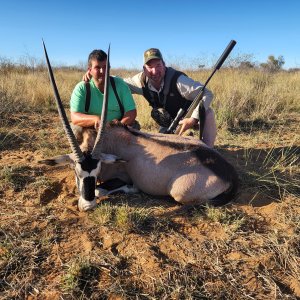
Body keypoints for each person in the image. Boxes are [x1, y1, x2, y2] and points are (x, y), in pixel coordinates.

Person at [83, 48, 216, 148]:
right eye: (149, 67)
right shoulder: (140, 80)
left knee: (208, 113)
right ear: (144, 69)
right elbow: (117, 84)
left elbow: (207, 93)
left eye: (158, 65)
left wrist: (192, 119)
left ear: (164, 65)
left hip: (189, 117)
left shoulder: (179, 81)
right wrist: (96, 75)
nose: (154, 71)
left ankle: (209, 149)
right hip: (170, 122)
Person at [71, 49, 137, 150]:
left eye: (105, 67)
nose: (102, 71)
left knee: (135, 127)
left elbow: (131, 112)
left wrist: (119, 127)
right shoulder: (81, 88)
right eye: (97, 67)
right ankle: (84, 158)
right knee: (75, 129)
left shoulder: (120, 84)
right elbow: (75, 117)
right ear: (89, 70)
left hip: (117, 128)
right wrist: (95, 119)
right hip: (92, 129)